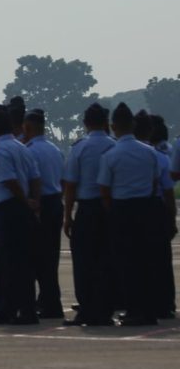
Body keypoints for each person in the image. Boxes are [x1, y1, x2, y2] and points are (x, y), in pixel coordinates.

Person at [97, 103, 162, 326]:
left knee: (127, 263)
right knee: (147, 262)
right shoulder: (150, 152)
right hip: (145, 208)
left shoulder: (111, 155)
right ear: (133, 125)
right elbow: (155, 182)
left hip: (121, 210)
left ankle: (134, 310)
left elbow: (104, 189)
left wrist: (112, 211)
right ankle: (149, 310)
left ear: (113, 126)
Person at [0, 106, 40, 325]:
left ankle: (14, 309)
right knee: (21, 262)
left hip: (7, 209)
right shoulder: (21, 147)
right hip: (18, 209)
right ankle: (21, 308)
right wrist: (34, 201)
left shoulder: (0, 150)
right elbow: (35, 177)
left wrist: (24, 200)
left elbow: (8, 180)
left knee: (10, 263)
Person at [62, 103, 116, 326]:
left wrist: (68, 215)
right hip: (109, 208)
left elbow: (70, 184)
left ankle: (86, 310)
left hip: (87, 209)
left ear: (85, 123)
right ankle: (105, 311)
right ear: (106, 122)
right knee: (107, 261)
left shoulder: (80, 148)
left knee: (84, 262)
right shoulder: (113, 146)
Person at [22, 109, 65, 319]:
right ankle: (50, 300)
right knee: (51, 256)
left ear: (28, 127)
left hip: (40, 204)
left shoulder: (28, 151)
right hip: (55, 201)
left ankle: (48, 302)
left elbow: (31, 181)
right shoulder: (55, 150)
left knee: (37, 258)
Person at [149, 115, 176, 318]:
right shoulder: (165, 150)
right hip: (161, 207)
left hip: (151, 205)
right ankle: (166, 303)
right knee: (163, 260)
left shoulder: (154, 154)